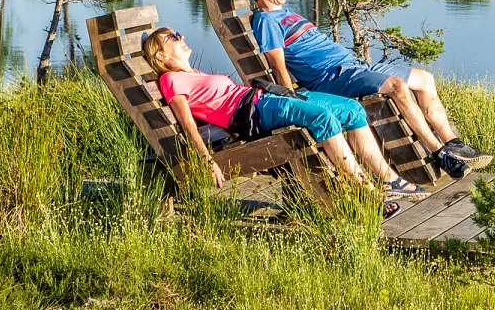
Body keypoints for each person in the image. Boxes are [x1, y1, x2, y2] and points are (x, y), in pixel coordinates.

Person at [140, 27, 429, 213]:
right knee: (323, 118)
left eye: (180, 33)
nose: (181, 37)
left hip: (265, 97)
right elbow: (187, 121)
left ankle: (387, 181)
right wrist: (205, 158)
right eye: (173, 37)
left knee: (350, 109)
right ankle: (365, 191)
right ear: (161, 54)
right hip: (254, 113)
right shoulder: (170, 80)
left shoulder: (193, 74)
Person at [243, 0, 491, 171]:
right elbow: (277, 64)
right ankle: (439, 153)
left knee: (425, 79)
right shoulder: (266, 21)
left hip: (354, 66)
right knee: (397, 86)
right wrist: (293, 100)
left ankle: (453, 143)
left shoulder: (287, 14)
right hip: (334, 78)